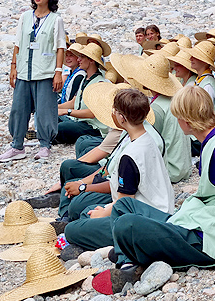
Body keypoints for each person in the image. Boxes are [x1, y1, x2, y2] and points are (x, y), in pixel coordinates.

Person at [110, 85, 215, 276]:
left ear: (185, 122)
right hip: (203, 222)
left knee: (125, 225)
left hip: (213, 240)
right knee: (124, 206)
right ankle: (127, 256)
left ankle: (127, 261)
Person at [64, 87, 174, 253]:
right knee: (87, 212)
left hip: (141, 220)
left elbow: (123, 203)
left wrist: (103, 213)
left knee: (72, 230)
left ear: (122, 118)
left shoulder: (130, 155)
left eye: (114, 111)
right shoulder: (148, 139)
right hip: (158, 210)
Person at [0, 0, 65, 163]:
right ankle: (17, 145)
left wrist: (58, 71)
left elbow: (60, 47)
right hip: (24, 71)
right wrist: (13, 67)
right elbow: (18, 44)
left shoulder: (56, 19)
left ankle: (45, 145)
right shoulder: (26, 17)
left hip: (45, 71)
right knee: (19, 109)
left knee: (44, 110)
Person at [110, 51, 192, 182]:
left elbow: (145, 144)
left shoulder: (157, 109)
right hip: (182, 165)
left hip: (170, 169)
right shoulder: (171, 100)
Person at [53, 40, 109, 156]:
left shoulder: (99, 83)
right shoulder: (86, 79)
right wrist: (53, 108)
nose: (78, 60)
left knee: (61, 127)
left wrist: (67, 112)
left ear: (91, 60)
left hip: (92, 125)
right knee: (54, 118)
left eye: (81, 57)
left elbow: (92, 113)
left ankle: (43, 135)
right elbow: (74, 102)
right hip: (80, 120)